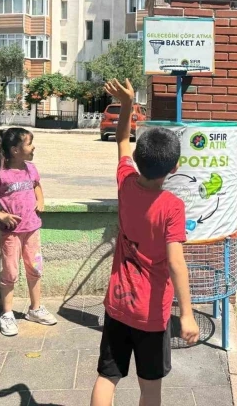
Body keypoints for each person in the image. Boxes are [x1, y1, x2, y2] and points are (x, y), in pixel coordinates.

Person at [90, 78, 200, 406]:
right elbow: (176, 262)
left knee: (107, 377)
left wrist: (126, 105)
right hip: (151, 315)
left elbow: (121, 138)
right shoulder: (172, 207)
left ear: (138, 158)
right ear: (175, 167)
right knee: (150, 389)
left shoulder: (125, 181)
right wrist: (189, 314)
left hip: (117, 305)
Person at [0, 127, 57, 336]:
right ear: (15, 149)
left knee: (35, 269)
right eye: (29, 143)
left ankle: (35, 309)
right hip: (11, 233)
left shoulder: (31, 169)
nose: (33, 147)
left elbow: (36, 185)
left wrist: (41, 200)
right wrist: (0, 215)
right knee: (10, 272)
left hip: (32, 229)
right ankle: (7, 313)